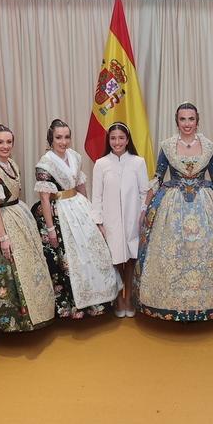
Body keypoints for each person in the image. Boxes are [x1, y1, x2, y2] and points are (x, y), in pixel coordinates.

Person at [138, 103, 213, 322]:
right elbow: (157, 178)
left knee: (204, 252)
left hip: (205, 204)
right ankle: (173, 304)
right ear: (177, 121)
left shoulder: (208, 146)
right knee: (175, 252)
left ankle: (208, 303)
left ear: (197, 121)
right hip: (173, 206)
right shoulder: (168, 146)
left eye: (191, 119)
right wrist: (145, 208)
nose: (187, 124)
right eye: (183, 119)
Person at [0, 124, 57, 332]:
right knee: (9, 270)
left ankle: (40, 312)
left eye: (8, 142)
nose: (5, 146)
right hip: (0, 221)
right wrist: (3, 238)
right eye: (0, 142)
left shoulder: (12, 163)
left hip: (17, 214)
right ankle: (16, 321)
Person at [34, 120, 121, 319]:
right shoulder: (44, 163)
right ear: (51, 138)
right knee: (70, 259)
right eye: (58, 137)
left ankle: (99, 301)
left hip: (78, 206)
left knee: (94, 251)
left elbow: (81, 185)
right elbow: (45, 199)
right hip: (59, 213)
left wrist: (92, 213)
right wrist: (50, 229)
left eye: (66, 137)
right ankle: (75, 306)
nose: (63, 142)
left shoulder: (75, 156)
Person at [91, 122, 150, 317]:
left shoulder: (138, 162)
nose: (117, 142)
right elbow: (97, 196)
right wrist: (98, 221)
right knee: (114, 260)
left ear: (127, 140)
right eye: (113, 138)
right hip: (110, 221)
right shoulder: (101, 164)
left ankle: (129, 298)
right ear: (109, 140)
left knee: (131, 259)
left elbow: (144, 192)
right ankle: (118, 299)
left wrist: (142, 213)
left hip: (133, 219)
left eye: (121, 138)